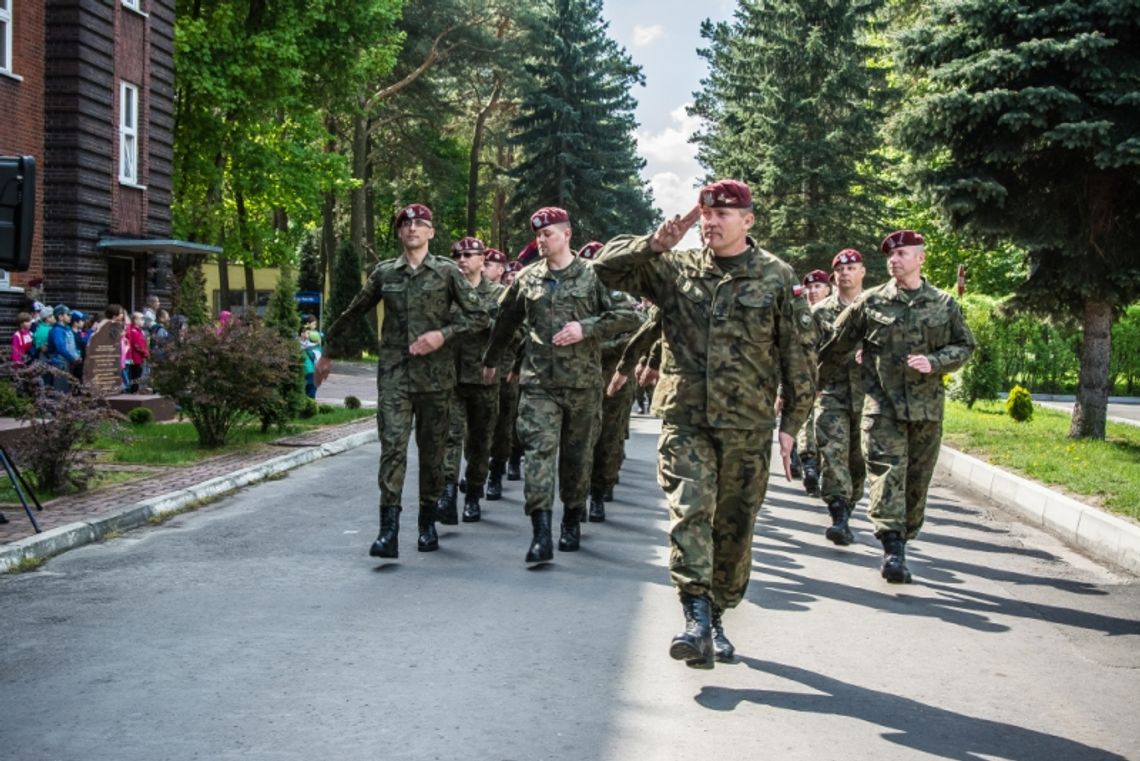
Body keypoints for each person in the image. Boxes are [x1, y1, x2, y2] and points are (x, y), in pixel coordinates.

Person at [592, 179, 815, 669]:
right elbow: (603, 269)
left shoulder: (776, 276)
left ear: (748, 221)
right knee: (690, 510)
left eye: (723, 215)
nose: (710, 223)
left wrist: (792, 422)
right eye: (705, 214)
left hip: (747, 423)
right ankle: (694, 616)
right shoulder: (674, 269)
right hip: (686, 418)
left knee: (733, 529)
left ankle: (716, 615)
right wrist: (653, 245)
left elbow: (798, 355)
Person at [315, 203, 489, 558]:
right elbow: (353, 310)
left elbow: (480, 316)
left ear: (431, 232)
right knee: (392, 448)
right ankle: (388, 531)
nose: (412, 228)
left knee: (433, 453)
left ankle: (426, 523)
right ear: (399, 233)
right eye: (406, 224)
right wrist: (328, 350)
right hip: (395, 375)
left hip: (437, 379)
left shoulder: (446, 272)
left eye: (420, 223)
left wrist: (443, 334)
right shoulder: (385, 274)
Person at [482, 207, 639, 563]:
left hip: (583, 385)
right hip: (538, 384)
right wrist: (492, 361)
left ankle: (571, 517)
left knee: (577, 458)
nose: (541, 240)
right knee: (539, 453)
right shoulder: (527, 278)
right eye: (538, 235)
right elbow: (505, 324)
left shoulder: (592, 276)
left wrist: (587, 327)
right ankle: (541, 533)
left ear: (567, 234)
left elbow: (629, 315)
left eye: (548, 234)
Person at [818, 230, 975, 583]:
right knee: (887, 475)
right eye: (891, 255)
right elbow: (835, 347)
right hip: (881, 407)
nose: (894, 260)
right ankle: (892, 550)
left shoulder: (944, 304)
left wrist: (936, 361)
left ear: (920, 258)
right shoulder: (870, 303)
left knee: (916, 483)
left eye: (902, 253)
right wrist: (807, 386)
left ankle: (904, 536)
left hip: (926, 411)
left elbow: (965, 346)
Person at [438, 237, 505, 524]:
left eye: (468, 255)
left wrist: (499, 361)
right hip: (451, 377)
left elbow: (514, 331)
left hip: (484, 379)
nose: (462, 260)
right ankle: (448, 494)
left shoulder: (499, 294)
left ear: (482, 259)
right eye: (457, 256)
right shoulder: (444, 293)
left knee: (480, 442)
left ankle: (474, 494)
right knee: (449, 437)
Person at [577, 240, 641, 522]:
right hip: (580, 375)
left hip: (614, 376)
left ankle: (600, 490)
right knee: (578, 438)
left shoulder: (620, 297)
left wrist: (597, 343)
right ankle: (577, 495)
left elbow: (635, 330)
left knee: (609, 437)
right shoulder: (577, 297)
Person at [812, 248, 868, 546]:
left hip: (868, 396)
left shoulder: (877, 308)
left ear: (862, 272)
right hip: (830, 393)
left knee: (857, 462)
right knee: (833, 454)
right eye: (840, 269)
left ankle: (849, 503)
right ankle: (839, 515)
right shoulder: (819, 312)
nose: (846, 273)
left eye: (852, 268)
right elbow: (804, 353)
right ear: (834, 276)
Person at [795, 268, 831, 497]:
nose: (812, 291)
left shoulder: (837, 311)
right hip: (803, 378)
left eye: (817, 286)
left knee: (824, 424)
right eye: (808, 287)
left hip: (830, 382)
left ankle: (818, 464)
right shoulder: (799, 314)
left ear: (828, 288)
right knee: (804, 420)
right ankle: (808, 463)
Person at [45, 305, 83, 391]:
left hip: (67, 362)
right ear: (60, 317)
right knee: (61, 389)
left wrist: (76, 355)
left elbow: (71, 346)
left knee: (67, 388)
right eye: (68, 314)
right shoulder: (57, 331)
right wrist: (73, 358)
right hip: (60, 363)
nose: (70, 317)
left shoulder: (66, 329)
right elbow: (60, 347)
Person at [123, 311, 150, 393]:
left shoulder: (138, 330)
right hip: (136, 359)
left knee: (136, 376)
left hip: (138, 358)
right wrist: (146, 353)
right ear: (135, 320)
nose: (143, 321)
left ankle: (134, 390)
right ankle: (133, 391)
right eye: (141, 319)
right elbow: (138, 345)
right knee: (136, 377)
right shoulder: (134, 331)